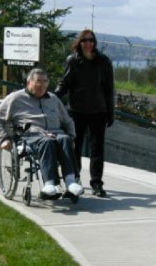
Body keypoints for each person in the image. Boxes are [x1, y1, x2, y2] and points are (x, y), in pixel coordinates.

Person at [0, 68, 84, 197]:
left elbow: (67, 121)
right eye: (38, 81)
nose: (42, 85)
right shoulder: (15, 98)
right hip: (30, 136)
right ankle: (49, 184)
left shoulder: (53, 99)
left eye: (45, 81)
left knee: (65, 139)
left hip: (56, 133)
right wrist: (4, 138)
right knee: (47, 141)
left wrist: (72, 136)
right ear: (29, 82)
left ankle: (71, 181)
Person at [55, 29, 115, 197]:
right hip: (77, 111)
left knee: (97, 150)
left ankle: (97, 183)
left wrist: (111, 112)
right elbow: (64, 82)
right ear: (79, 43)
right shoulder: (72, 61)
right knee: (75, 148)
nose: (88, 43)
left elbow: (109, 89)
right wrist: (53, 95)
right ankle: (74, 178)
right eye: (85, 40)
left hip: (98, 111)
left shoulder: (103, 61)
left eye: (91, 40)